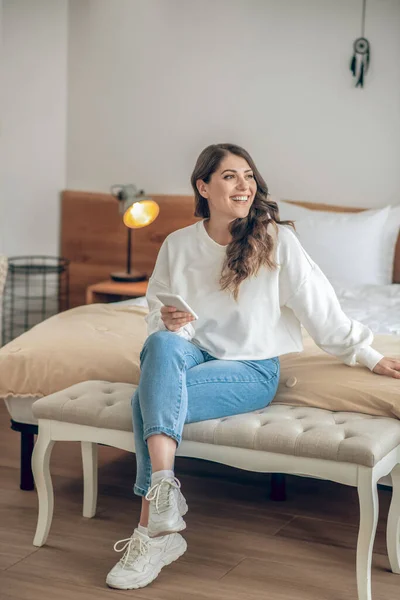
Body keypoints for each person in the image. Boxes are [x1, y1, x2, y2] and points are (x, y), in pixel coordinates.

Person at [106, 143, 400, 590]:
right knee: (162, 346)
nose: (244, 185)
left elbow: (323, 312)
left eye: (248, 176)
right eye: (229, 176)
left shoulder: (277, 241)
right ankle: (163, 500)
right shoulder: (177, 244)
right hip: (193, 353)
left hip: (251, 369)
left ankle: (152, 531)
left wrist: (368, 354)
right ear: (203, 187)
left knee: (145, 399)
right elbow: (155, 315)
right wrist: (170, 322)